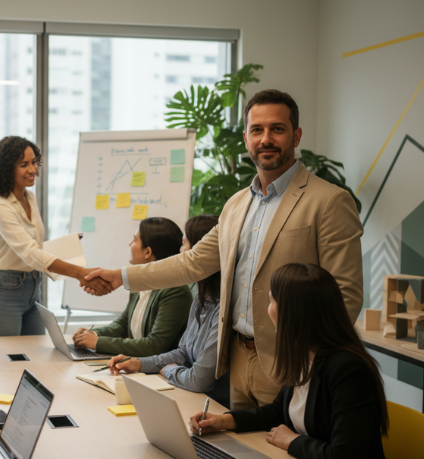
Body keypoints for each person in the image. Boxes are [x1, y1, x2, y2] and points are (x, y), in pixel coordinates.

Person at [84, 89, 363, 410]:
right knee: (240, 449)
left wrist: (312, 359)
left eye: (278, 129)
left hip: (293, 361)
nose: (266, 139)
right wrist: (121, 277)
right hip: (236, 359)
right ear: (246, 138)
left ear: (296, 135)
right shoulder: (236, 205)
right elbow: (191, 264)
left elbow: (347, 294)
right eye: (257, 130)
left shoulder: (328, 200)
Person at [189, 263, 387, 458]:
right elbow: (278, 411)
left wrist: (291, 441)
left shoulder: (348, 370)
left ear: (292, 312)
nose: (268, 310)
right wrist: (223, 421)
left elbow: (344, 454)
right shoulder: (304, 355)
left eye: (271, 301)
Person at [0, 135, 111, 336]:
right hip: (4, 290)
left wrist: (65, 247)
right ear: (7, 168)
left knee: (36, 355)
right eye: (24, 164)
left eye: (34, 162)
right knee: (4, 361)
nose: (33, 170)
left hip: (33, 286)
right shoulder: (0, 207)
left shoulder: (29, 197)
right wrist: (80, 273)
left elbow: (33, 247)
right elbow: (30, 253)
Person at [107, 215, 225, 396]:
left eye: (184, 245)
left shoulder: (221, 308)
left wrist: (168, 370)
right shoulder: (201, 297)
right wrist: (139, 363)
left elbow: (198, 380)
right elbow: (184, 352)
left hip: (206, 400)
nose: (180, 253)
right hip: (187, 391)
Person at [71, 217, 193, 356]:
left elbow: (154, 345)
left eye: (134, 240)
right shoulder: (139, 282)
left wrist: (98, 342)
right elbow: (123, 324)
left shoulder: (175, 290)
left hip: (158, 372)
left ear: (147, 252)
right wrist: (92, 334)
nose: (130, 243)